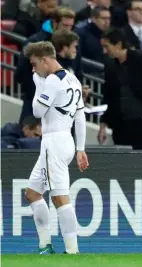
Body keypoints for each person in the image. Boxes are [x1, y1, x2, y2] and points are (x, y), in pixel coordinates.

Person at [23, 41, 89, 254]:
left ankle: (72, 250)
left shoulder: (50, 80)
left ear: (44, 59)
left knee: (60, 197)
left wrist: (38, 83)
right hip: (65, 140)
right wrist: (80, 148)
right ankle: (45, 245)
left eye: (34, 64)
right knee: (33, 193)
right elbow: (80, 116)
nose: (34, 69)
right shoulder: (73, 78)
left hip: (54, 141)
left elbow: (37, 112)